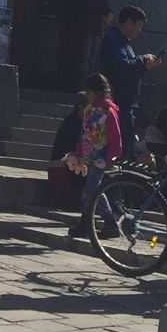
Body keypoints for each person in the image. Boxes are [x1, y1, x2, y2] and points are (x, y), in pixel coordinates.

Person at [65, 73, 123, 239]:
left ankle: (106, 220)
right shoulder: (89, 110)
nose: (88, 96)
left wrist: (112, 157)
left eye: (90, 93)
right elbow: (84, 133)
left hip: (102, 157)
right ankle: (88, 221)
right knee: (92, 189)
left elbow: (116, 137)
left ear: (99, 92)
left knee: (92, 188)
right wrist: (78, 152)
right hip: (89, 156)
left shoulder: (109, 112)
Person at [100, 5, 161, 159]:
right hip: (118, 101)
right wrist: (142, 60)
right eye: (138, 25)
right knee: (120, 148)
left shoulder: (124, 42)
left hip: (127, 102)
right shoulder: (113, 37)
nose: (139, 31)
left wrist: (146, 65)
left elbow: (131, 69)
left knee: (126, 146)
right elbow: (122, 67)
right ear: (128, 22)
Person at [72, 0, 112, 81]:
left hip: (96, 22)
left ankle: (89, 80)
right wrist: (105, 10)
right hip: (87, 22)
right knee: (86, 55)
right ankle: (83, 81)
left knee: (93, 56)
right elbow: (92, 0)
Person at [47, 93, 87, 208]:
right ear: (81, 107)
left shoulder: (85, 122)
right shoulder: (72, 122)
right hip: (65, 158)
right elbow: (71, 145)